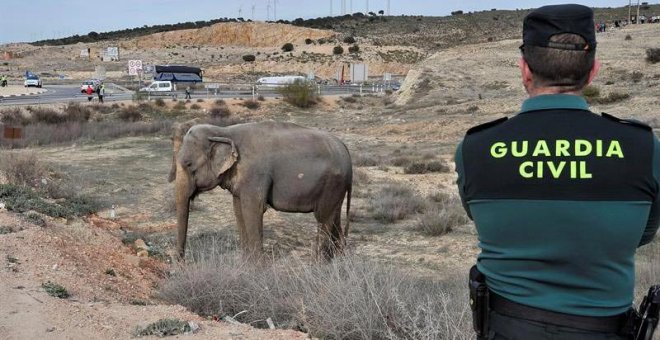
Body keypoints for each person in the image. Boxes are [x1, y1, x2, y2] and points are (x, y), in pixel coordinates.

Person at [455, 4, 659, 339]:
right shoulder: (643, 148)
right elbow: (642, 235)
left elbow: (483, 221)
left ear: (524, 70)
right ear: (593, 70)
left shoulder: (475, 148)